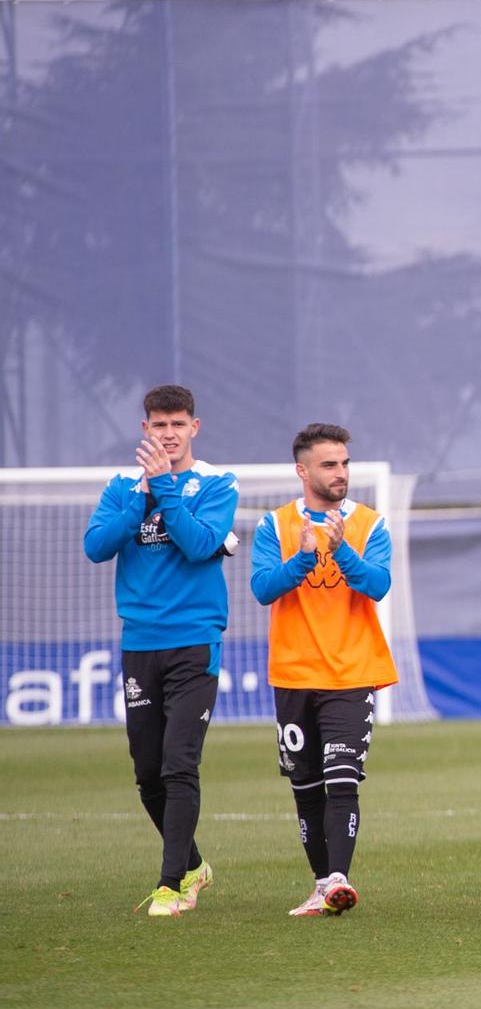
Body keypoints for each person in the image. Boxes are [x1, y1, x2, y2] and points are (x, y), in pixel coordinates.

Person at [84, 384, 238, 918]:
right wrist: (141, 498)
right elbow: (96, 546)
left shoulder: (217, 483)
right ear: (144, 429)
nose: (168, 434)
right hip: (139, 643)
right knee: (147, 771)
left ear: (195, 427)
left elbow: (200, 546)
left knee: (179, 764)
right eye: (158, 425)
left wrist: (167, 489)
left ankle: (172, 885)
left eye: (178, 424)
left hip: (195, 641)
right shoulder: (122, 487)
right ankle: (194, 863)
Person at [251, 423, 398, 917]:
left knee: (342, 780)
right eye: (329, 465)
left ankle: (339, 880)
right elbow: (263, 587)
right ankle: (321, 885)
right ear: (303, 469)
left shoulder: (371, 523)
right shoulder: (275, 525)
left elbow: (377, 584)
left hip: (352, 674)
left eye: (345, 463)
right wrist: (306, 554)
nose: (341, 473)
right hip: (293, 674)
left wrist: (339, 551)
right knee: (305, 787)